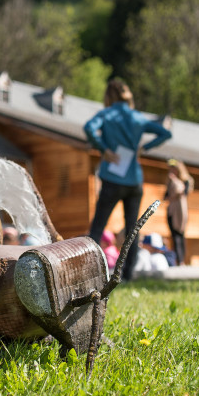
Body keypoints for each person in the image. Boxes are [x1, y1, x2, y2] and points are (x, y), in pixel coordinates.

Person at [84, 79, 172, 280]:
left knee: (98, 227)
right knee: (133, 228)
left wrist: (103, 149)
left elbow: (89, 128)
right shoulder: (137, 118)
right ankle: (128, 275)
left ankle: (89, 274)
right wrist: (144, 148)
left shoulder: (108, 114)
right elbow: (165, 133)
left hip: (112, 178)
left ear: (109, 96)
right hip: (134, 180)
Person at [164, 159, 192, 266]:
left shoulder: (185, 181)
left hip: (181, 211)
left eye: (173, 168)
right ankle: (177, 260)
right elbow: (165, 196)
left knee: (180, 235)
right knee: (174, 236)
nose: (171, 170)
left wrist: (175, 181)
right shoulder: (170, 182)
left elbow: (182, 192)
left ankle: (181, 260)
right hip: (171, 211)